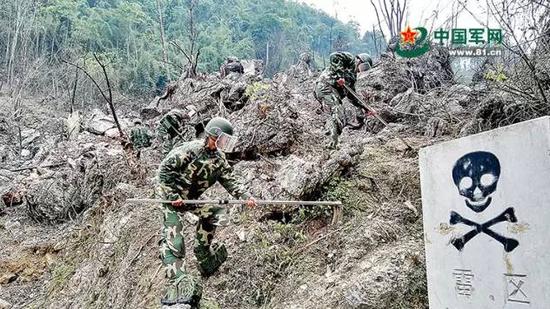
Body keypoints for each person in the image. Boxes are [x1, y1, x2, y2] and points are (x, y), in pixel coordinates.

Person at [156, 117, 257, 307]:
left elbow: (230, 179)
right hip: (172, 199)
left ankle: (203, 255)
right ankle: (176, 279)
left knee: (217, 213)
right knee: (176, 243)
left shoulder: (219, 159)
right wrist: (172, 195)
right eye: (224, 139)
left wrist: (245, 196)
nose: (225, 144)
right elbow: (163, 171)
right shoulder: (190, 151)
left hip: (191, 199)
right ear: (213, 135)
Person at [314, 51, 367, 149]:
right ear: (360, 61)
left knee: (337, 115)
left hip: (329, 91)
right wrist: (340, 76)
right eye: (364, 66)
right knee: (337, 112)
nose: (362, 70)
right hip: (326, 86)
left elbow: (352, 95)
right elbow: (334, 56)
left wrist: (366, 108)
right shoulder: (350, 59)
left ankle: (333, 142)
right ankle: (332, 144)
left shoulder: (352, 76)